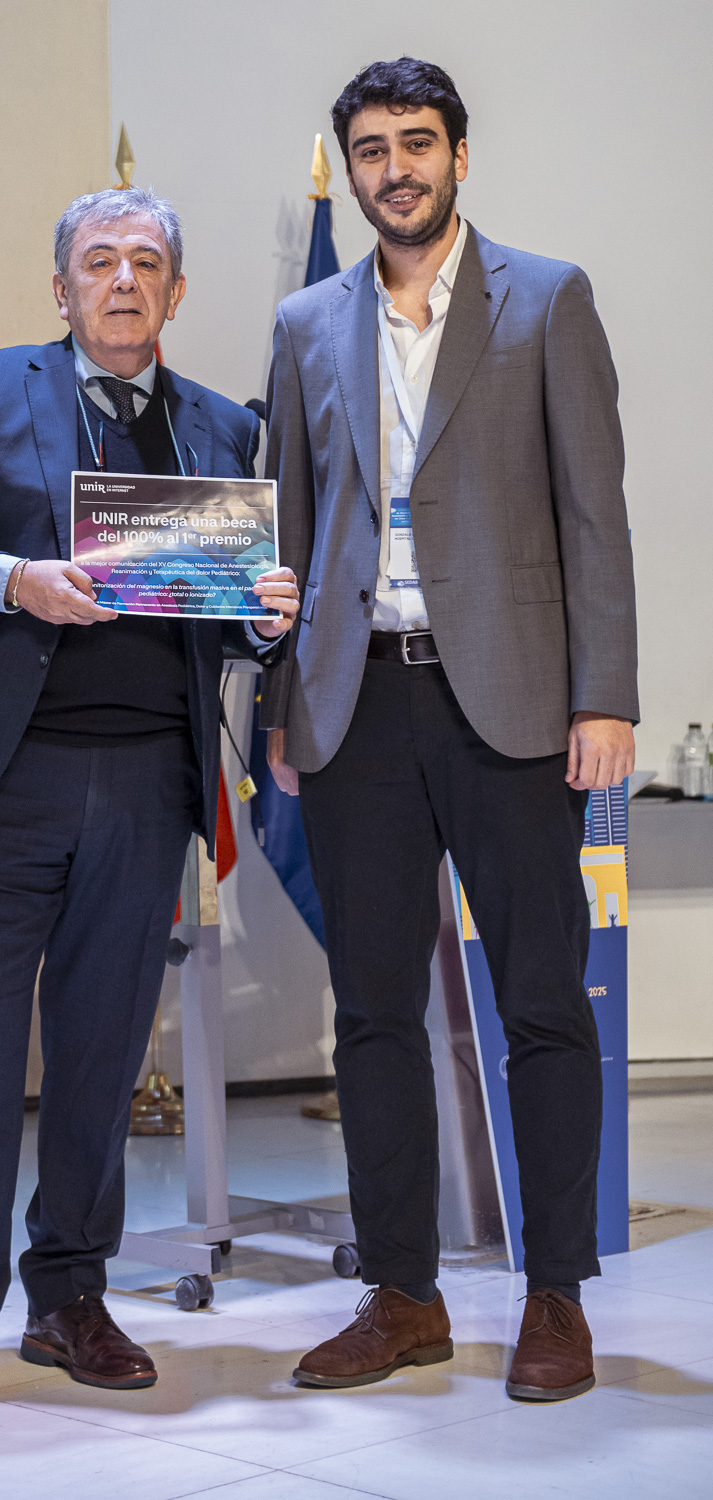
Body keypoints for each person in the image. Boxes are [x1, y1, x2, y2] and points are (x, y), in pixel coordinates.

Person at [0, 186, 298, 1426]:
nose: (121, 281)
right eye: (97, 261)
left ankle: (69, 1295)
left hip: (148, 782)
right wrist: (12, 579)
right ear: (60, 289)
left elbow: (220, 612)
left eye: (145, 263)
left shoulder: (221, 427)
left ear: (173, 293)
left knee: (103, 1052)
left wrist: (267, 617)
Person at [262, 57, 637, 1401]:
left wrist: (605, 696)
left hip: (516, 703)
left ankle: (554, 1297)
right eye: (370, 149)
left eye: (415, 143)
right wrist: (279, 697)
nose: (393, 169)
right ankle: (402, 1294)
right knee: (370, 1013)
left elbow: (593, 511)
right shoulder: (306, 321)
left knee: (538, 1004)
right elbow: (289, 520)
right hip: (353, 703)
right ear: (353, 168)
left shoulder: (546, 297)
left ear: (457, 156)